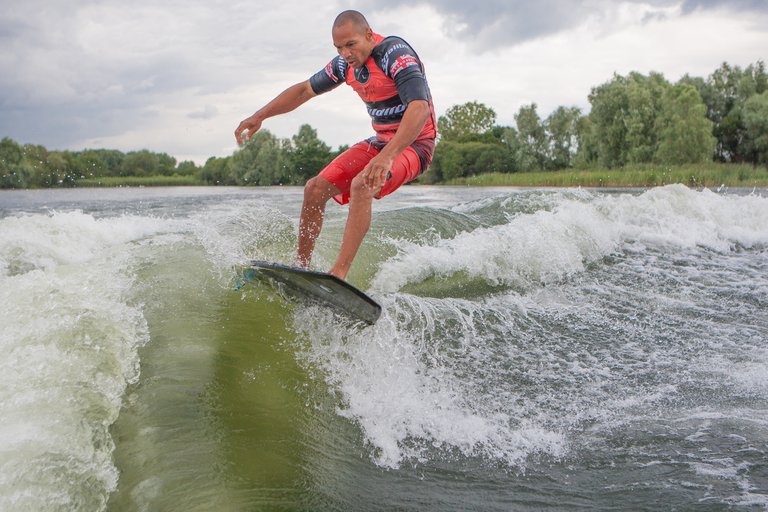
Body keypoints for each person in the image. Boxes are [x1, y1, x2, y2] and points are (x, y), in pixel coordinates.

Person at [234, 10, 437, 280]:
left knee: (362, 184)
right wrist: (259, 116)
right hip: (381, 142)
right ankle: (301, 268)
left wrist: (388, 156)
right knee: (314, 188)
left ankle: (338, 275)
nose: (345, 53)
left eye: (350, 45)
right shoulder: (344, 65)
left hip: (415, 145)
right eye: (339, 48)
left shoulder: (396, 55)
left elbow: (420, 108)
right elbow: (305, 90)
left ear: (368, 35)